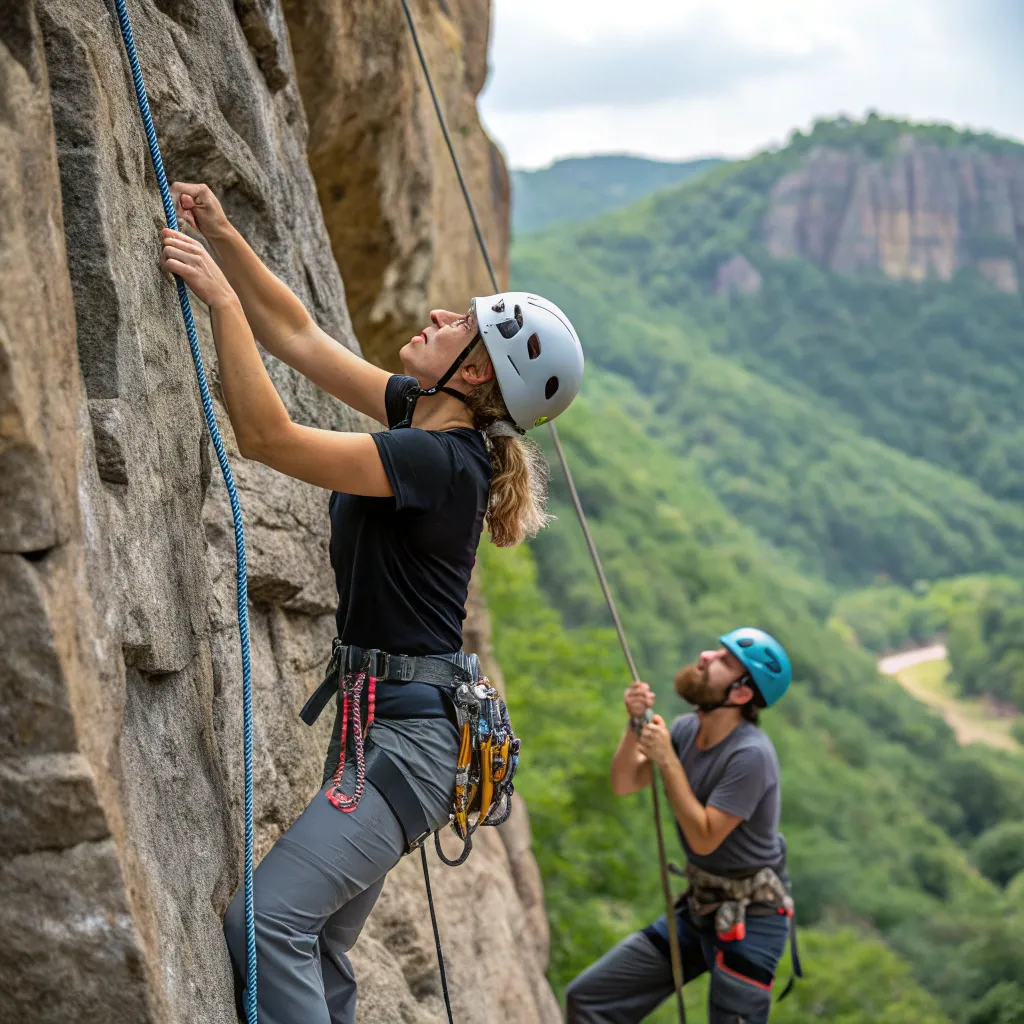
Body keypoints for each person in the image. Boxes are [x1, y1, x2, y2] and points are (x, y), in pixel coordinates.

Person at [157, 182, 584, 1024]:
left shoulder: (440, 463)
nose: (435, 315)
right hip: (390, 731)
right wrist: (225, 235)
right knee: (313, 945)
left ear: (478, 375)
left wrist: (216, 301)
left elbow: (269, 438)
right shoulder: (421, 418)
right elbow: (301, 335)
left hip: (405, 743)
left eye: (459, 323)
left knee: (267, 922)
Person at [566, 627, 796, 1024]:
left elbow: (705, 838)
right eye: (716, 651)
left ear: (742, 693)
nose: (706, 656)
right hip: (701, 906)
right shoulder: (687, 729)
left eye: (724, 661)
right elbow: (625, 782)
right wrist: (634, 724)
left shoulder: (751, 756)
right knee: (590, 998)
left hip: (753, 917)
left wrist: (668, 761)